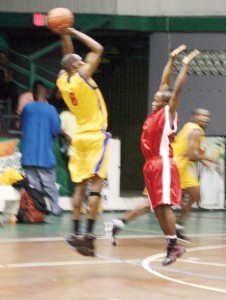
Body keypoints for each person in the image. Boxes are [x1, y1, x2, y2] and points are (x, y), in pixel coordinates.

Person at [140, 45, 200, 266]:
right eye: (155, 99)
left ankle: (174, 247)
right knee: (157, 208)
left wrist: (184, 66)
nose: (154, 100)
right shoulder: (155, 112)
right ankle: (172, 245)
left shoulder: (168, 113)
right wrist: (172, 60)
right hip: (150, 165)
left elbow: (175, 90)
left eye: (158, 99)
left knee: (164, 206)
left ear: (166, 103)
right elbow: (164, 83)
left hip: (163, 163)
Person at [56, 27, 110, 257]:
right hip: (95, 135)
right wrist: (75, 31)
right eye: (80, 61)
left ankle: (75, 232)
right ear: (77, 66)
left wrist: (63, 35)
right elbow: (97, 48)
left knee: (80, 185)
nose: (82, 60)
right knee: (96, 185)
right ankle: (88, 236)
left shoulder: (62, 81)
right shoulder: (83, 77)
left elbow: (67, 56)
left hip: (78, 138)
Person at [172, 108, 216, 242]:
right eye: (201, 115)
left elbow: (189, 151)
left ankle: (178, 226)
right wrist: (209, 158)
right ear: (195, 116)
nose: (205, 118)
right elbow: (190, 155)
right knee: (154, 203)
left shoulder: (191, 127)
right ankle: (120, 222)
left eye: (207, 116)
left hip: (182, 166)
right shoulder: (196, 130)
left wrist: (203, 160)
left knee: (196, 195)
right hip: (175, 165)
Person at [20, 80, 63, 216]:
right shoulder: (51, 110)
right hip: (44, 154)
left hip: (28, 154)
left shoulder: (27, 108)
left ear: (33, 94)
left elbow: (22, 124)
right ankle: (54, 208)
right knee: (49, 185)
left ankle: (39, 209)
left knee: (34, 186)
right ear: (46, 94)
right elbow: (56, 130)